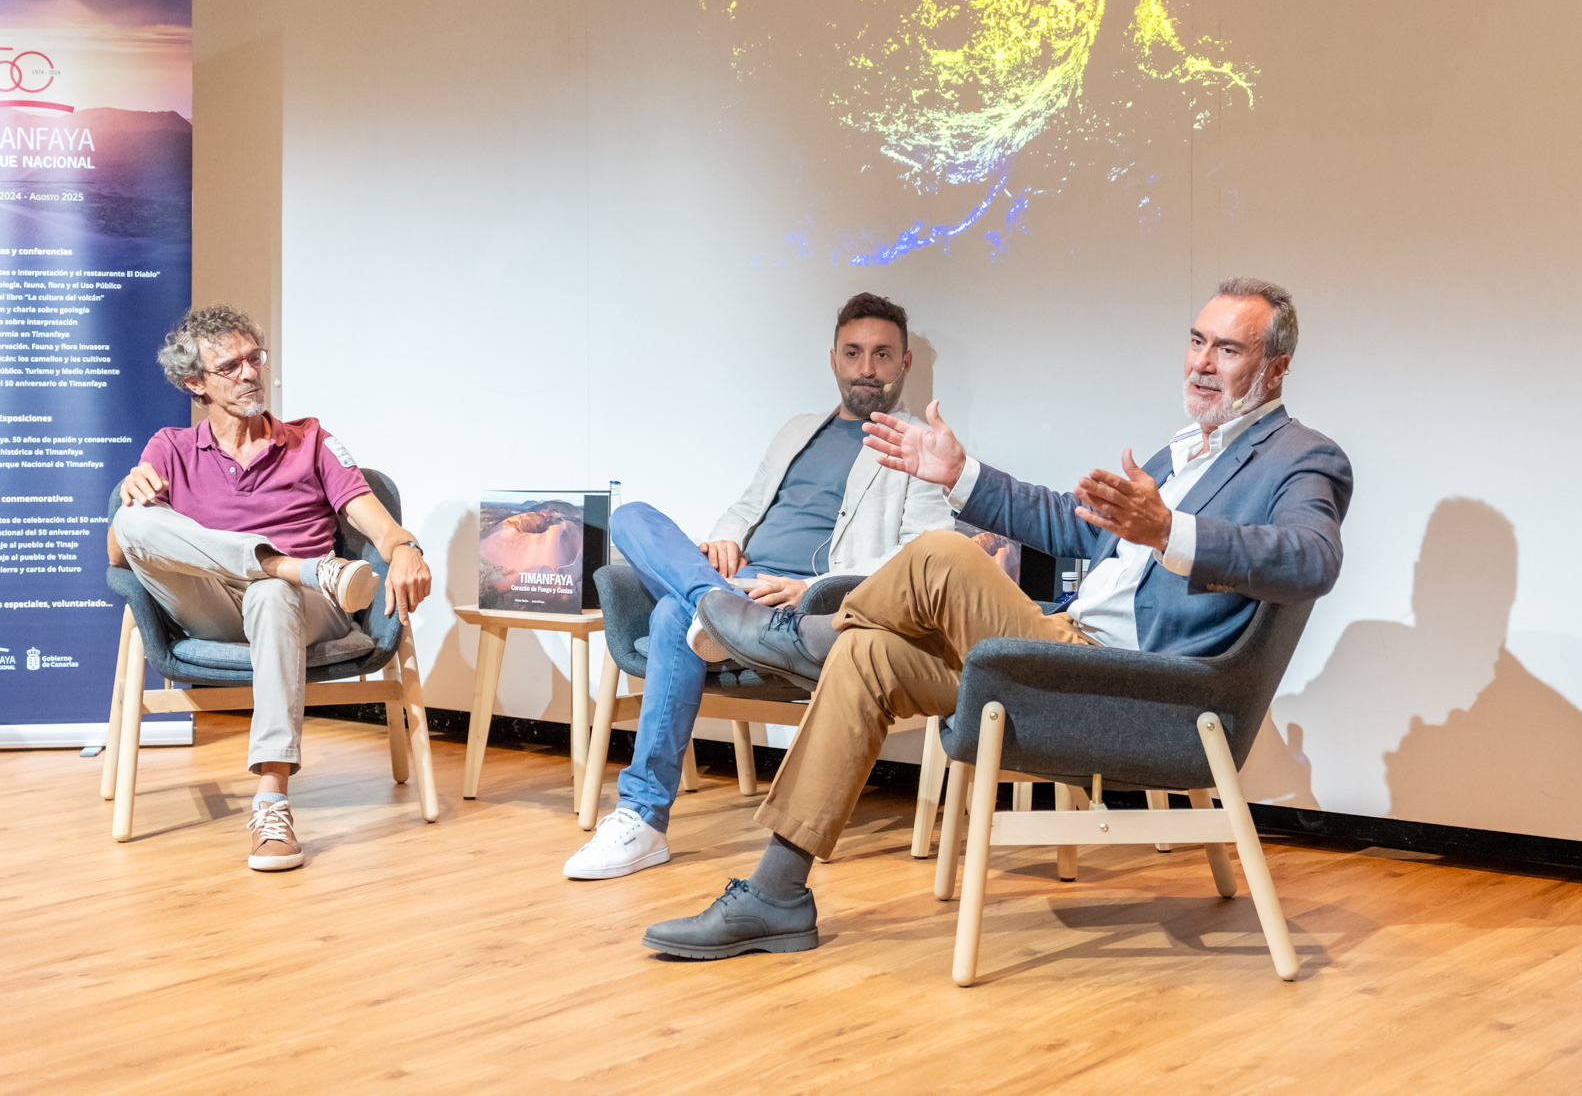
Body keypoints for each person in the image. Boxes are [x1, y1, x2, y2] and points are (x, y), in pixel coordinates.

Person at [646, 277, 1353, 958]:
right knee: (865, 658)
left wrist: (1170, 531)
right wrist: (960, 475)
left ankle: (798, 639)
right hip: (1063, 647)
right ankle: (776, 894)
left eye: (1227, 349)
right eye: (1198, 341)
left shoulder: (1301, 458)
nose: (1202, 361)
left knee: (940, 557)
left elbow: (1313, 558)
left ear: (1276, 366)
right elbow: (1071, 525)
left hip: (1139, 687)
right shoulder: (1183, 452)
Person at [563, 292, 954, 880]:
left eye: (881, 354)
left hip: (800, 603)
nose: (866, 367)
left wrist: (813, 587)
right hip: (737, 583)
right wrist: (723, 541)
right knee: (631, 517)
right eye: (853, 353)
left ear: (903, 365)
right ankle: (713, 605)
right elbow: (746, 507)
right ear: (833, 359)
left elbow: (920, 555)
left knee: (673, 617)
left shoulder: (917, 445)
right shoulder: (799, 429)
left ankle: (642, 817)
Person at [107, 305, 432, 873]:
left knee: (270, 595)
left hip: (306, 608)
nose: (248, 372)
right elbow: (122, 553)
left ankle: (272, 800)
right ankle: (289, 565)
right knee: (130, 521)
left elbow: (377, 524)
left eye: (254, 358)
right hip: (214, 603)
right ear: (195, 384)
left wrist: (405, 549)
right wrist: (134, 494)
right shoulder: (170, 447)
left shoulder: (312, 441)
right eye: (228, 366)